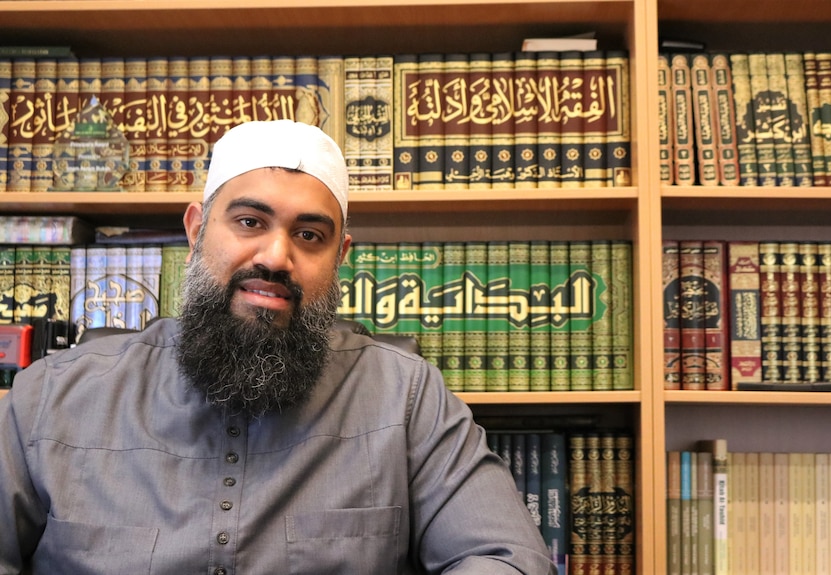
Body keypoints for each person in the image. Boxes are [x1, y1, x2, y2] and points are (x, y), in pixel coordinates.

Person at [0, 120, 555, 574]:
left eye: (309, 235)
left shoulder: (406, 399)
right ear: (196, 232)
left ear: (340, 258)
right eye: (249, 221)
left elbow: (505, 560)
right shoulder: (49, 397)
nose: (275, 256)